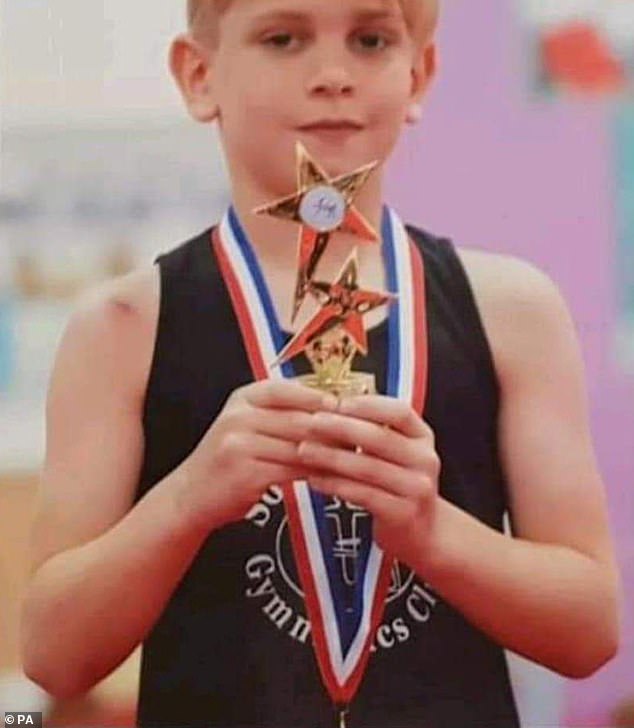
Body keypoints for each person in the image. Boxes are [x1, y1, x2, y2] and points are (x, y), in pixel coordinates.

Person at [20, 1, 622, 727]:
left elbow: (590, 630)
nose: (333, 74)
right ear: (200, 75)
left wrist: (434, 532)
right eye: (284, 38)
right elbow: (53, 656)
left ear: (419, 74)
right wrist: (188, 500)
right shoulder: (122, 327)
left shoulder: (512, 312)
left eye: (370, 40)